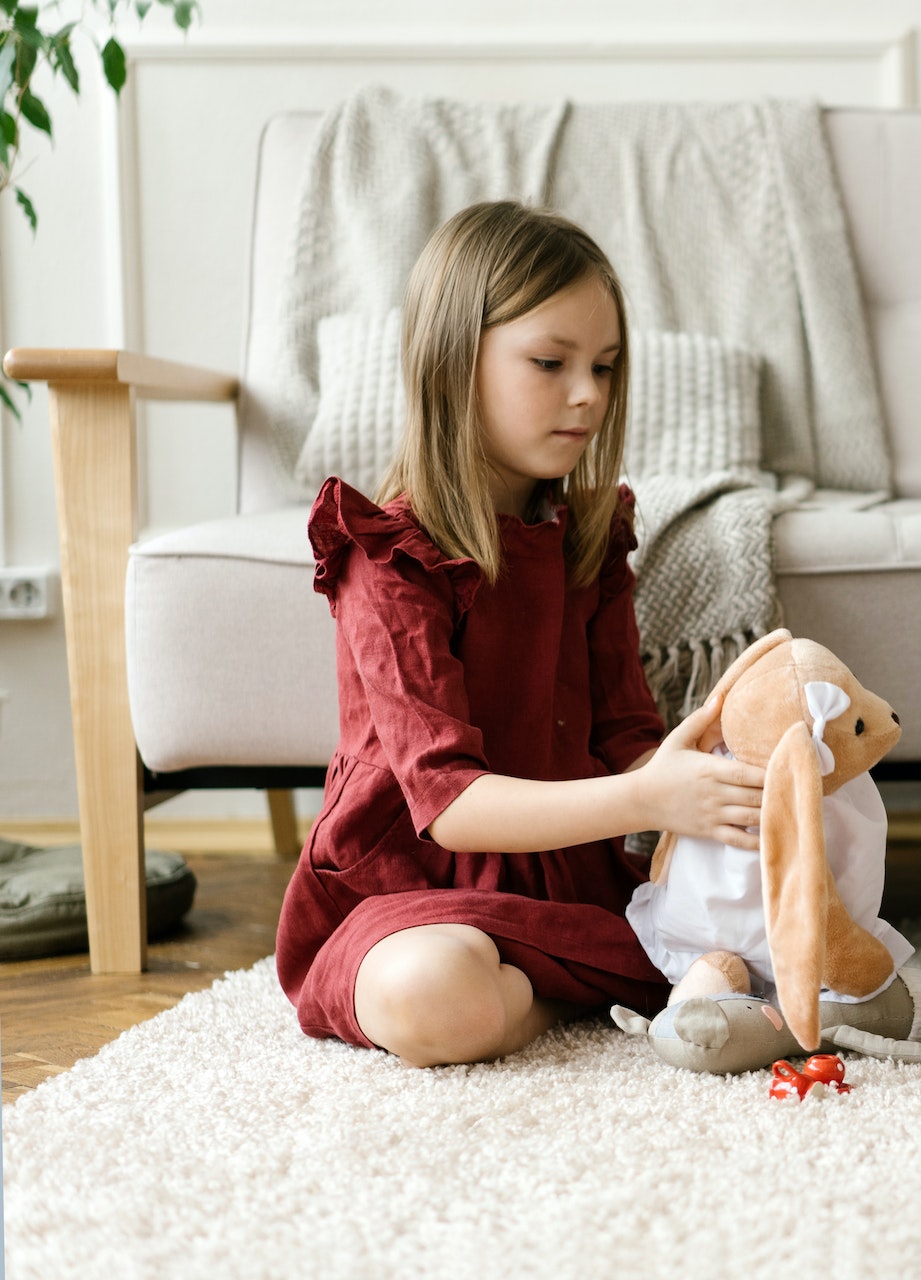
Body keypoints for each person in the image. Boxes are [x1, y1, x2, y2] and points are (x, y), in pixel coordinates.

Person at [276, 201, 764, 1068]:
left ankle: (549, 988)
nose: (588, 394)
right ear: (454, 362)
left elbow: (626, 736)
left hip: (566, 878)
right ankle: (560, 998)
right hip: (407, 887)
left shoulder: (588, 536)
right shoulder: (386, 557)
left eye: (606, 368)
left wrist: (712, 775)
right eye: (550, 362)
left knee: (743, 936)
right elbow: (450, 805)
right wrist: (649, 800)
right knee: (430, 993)